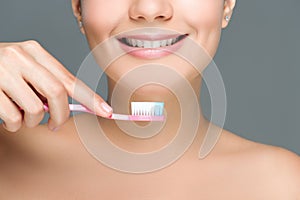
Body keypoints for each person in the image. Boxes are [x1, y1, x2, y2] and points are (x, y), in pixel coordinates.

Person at [0, 0, 299, 199]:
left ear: (226, 4)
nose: (150, 8)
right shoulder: (7, 155)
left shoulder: (283, 184)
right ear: (79, 7)